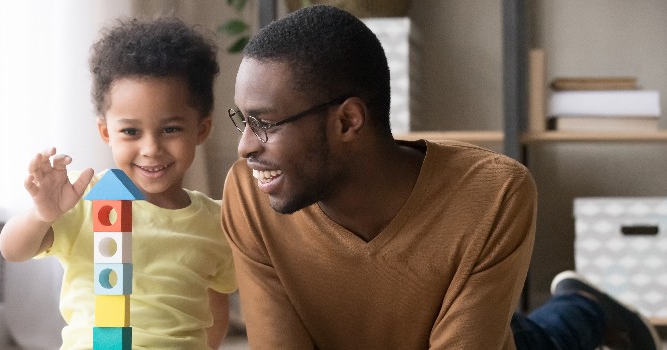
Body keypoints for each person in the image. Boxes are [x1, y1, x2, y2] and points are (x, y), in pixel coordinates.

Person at [220, 4, 659, 350]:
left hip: (480, 338)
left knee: (542, 339)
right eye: (243, 120)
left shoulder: (494, 194)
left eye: (267, 123)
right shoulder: (249, 192)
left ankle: (586, 306)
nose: (245, 147)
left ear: (348, 121)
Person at [0, 17, 236, 350]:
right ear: (106, 132)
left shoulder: (218, 221)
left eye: (170, 129)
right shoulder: (84, 198)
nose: (151, 148)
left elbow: (216, 307)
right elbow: (12, 250)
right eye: (131, 132)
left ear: (201, 129)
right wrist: (42, 214)